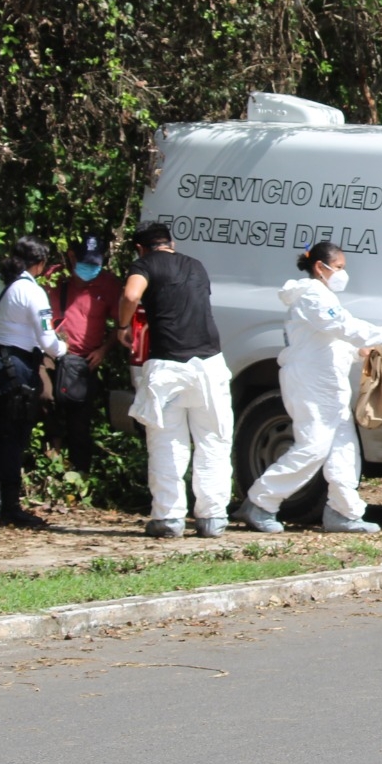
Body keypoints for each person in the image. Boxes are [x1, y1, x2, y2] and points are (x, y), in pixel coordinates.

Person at [235, 241, 382, 535]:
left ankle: (342, 512)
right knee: (313, 447)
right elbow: (342, 327)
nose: (341, 274)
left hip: (328, 386)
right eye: (338, 268)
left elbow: (327, 341)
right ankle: (260, 502)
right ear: (319, 267)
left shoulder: (323, 297)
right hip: (311, 384)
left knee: (344, 450)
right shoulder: (311, 296)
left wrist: (356, 352)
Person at [116, 222, 234, 538]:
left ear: (140, 248)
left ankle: (168, 518)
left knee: (167, 443)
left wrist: (122, 325)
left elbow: (131, 294)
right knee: (213, 441)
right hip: (209, 365)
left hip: (167, 365)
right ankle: (212, 518)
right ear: (171, 243)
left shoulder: (144, 264)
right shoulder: (196, 266)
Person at [0, 235, 69, 527]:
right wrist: (63, 349)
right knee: (13, 437)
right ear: (39, 263)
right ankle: (11, 507)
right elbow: (47, 340)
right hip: (15, 369)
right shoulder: (31, 291)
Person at [46, 232, 121, 473]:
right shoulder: (54, 278)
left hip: (83, 363)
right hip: (52, 356)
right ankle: (51, 469)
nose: (90, 269)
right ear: (71, 257)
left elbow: (122, 325)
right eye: (85, 263)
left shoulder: (108, 284)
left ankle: (80, 475)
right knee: (49, 412)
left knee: (79, 425)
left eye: (94, 264)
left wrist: (103, 351)